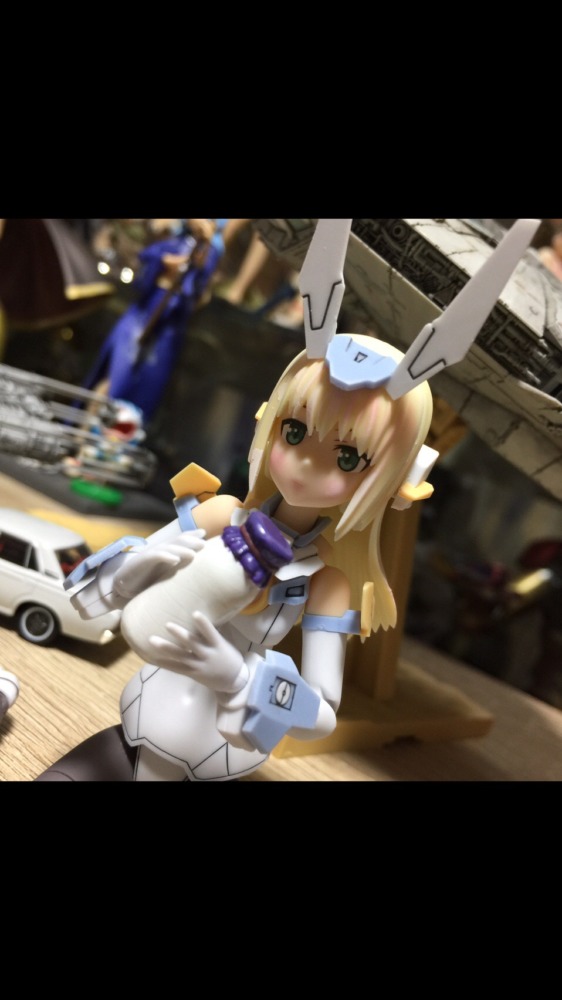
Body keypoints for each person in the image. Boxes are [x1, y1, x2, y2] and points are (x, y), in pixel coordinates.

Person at [35, 217, 538, 782]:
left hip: (214, 752)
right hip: (142, 722)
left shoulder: (325, 582)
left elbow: (321, 713)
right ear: (271, 422)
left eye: (347, 458)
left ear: (385, 478)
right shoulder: (219, 514)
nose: (305, 464)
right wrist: (133, 571)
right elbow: (85, 598)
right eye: (294, 432)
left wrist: (236, 678)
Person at [81, 219, 227, 423]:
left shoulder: (211, 249)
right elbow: (148, 257)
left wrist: (203, 252)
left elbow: (198, 285)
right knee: (114, 376)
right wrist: (164, 261)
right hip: (143, 313)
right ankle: (86, 428)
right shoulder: (175, 236)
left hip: (168, 326)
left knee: (142, 391)